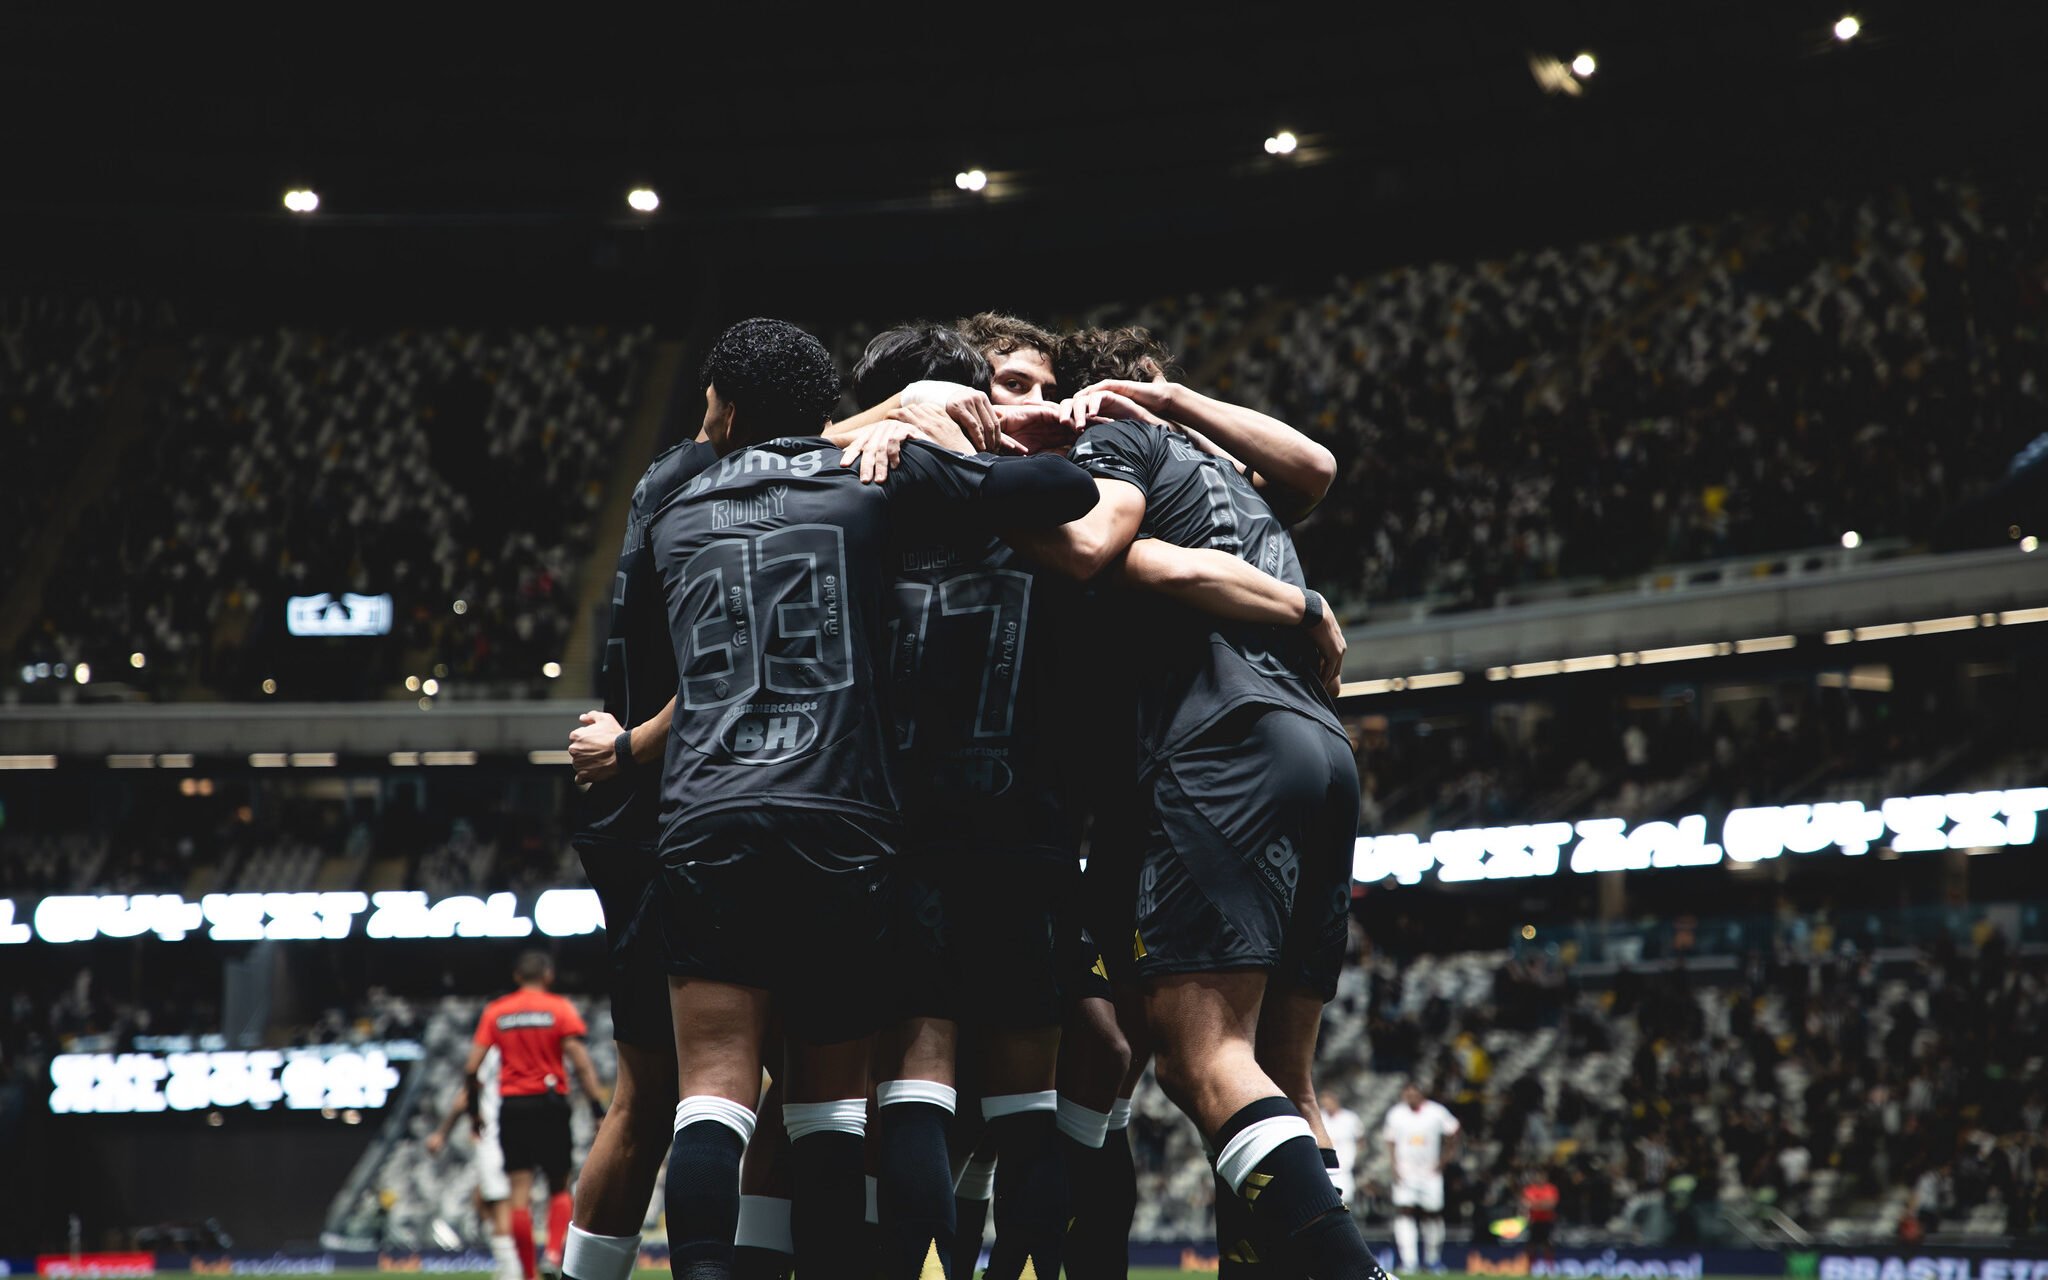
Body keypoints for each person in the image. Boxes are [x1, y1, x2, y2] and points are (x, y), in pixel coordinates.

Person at [847, 316, 1344, 1279]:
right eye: (1008, 383)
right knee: (951, 1073)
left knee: (1100, 1061)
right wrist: (1300, 603)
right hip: (928, 817)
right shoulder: (909, 474)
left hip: (1061, 827)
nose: (1032, 403)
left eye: (1045, 386)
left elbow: (1203, 529)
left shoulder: (1077, 488)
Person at [645, 318, 1099, 1280]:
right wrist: (922, 430)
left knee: (713, 1099)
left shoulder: (671, 504)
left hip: (705, 809)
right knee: (834, 1110)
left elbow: (707, 472)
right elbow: (1068, 491)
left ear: (725, 409)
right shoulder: (867, 482)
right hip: (847, 814)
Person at [1005, 326, 1378, 1277]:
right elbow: (1318, 467)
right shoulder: (1238, 481)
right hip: (1321, 746)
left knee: (1200, 1057)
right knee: (1284, 1079)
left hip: (1222, 744)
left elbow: (1107, 550)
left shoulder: (1119, 442)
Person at [558, 422, 721, 1280]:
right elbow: (731, 670)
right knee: (771, 1091)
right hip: (685, 811)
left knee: (649, 1100)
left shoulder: (665, 475)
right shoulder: (745, 495)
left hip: (634, 816)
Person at [461, 952, 609, 1280]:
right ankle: (553, 1255)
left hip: (513, 1107)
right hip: (550, 1103)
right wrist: (597, 1109)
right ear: (548, 975)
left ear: (517, 976)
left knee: (519, 1195)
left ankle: (528, 1274)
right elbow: (581, 1062)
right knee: (559, 1186)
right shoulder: (559, 1008)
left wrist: (474, 1113)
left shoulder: (497, 1012)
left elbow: (471, 1069)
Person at [425, 1048, 519, 1280]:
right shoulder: (514, 1051)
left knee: (499, 1205)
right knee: (482, 1199)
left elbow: (466, 1095)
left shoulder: (492, 1053)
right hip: (514, 1135)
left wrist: (442, 1132)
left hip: (495, 1138)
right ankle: (509, 1264)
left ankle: (513, 1272)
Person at [1383, 1082, 1462, 1273]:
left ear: (1421, 1094)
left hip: (1430, 1172)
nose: (1410, 1097)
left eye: (1413, 1094)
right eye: (1407, 1094)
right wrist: (1394, 1166)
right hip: (1405, 1172)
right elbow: (1390, 1141)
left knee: (1432, 1213)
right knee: (1405, 1211)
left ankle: (1433, 1259)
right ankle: (1409, 1261)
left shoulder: (1436, 1112)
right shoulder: (1396, 1113)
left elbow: (1454, 1131)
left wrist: (1444, 1160)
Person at [1321, 1092, 1366, 1204]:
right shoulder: (1321, 1117)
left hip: (1345, 1165)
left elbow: (1360, 1138)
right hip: (1326, 1165)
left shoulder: (1349, 1118)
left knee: (1346, 1199)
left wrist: (1356, 1156)